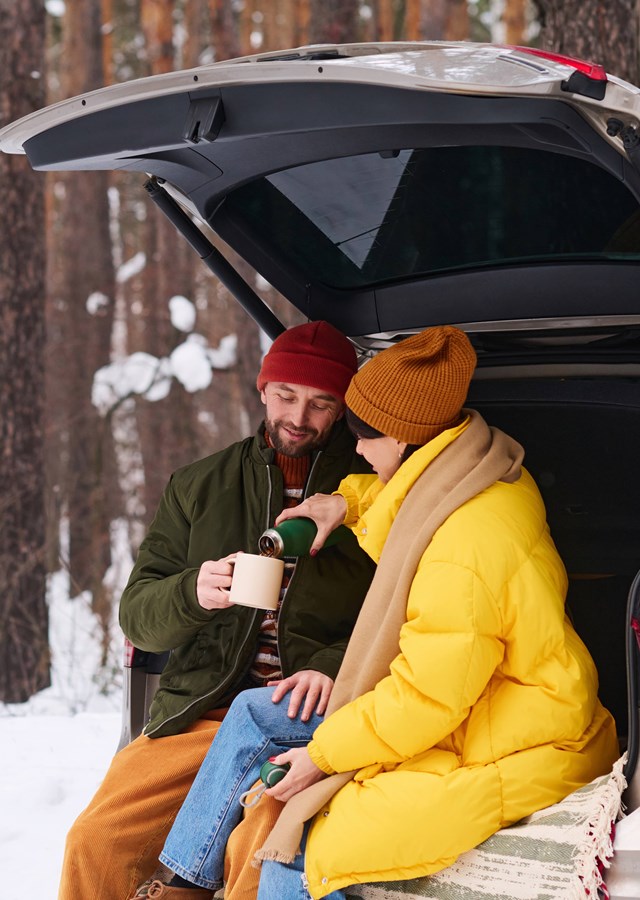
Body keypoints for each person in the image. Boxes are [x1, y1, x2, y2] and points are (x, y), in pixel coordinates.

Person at [132, 325, 619, 900]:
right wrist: (346, 502)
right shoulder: (479, 468)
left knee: (304, 852)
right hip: (473, 701)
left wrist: (321, 756)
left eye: (366, 435)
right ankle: (185, 884)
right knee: (253, 713)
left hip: (503, 736)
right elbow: (412, 499)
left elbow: (427, 699)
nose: (356, 448)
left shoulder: (467, 545)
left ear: (406, 440)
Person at [57, 320, 377, 900]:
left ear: (341, 409)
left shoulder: (368, 492)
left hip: (309, 717)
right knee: (96, 840)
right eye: (285, 395)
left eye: (320, 403)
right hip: (205, 710)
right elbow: (137, 615)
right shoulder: (198, 485)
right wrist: (192, 592)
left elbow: (401, 609)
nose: (298, 417)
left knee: (253, 850)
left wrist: (332, 664)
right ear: (262, 389)